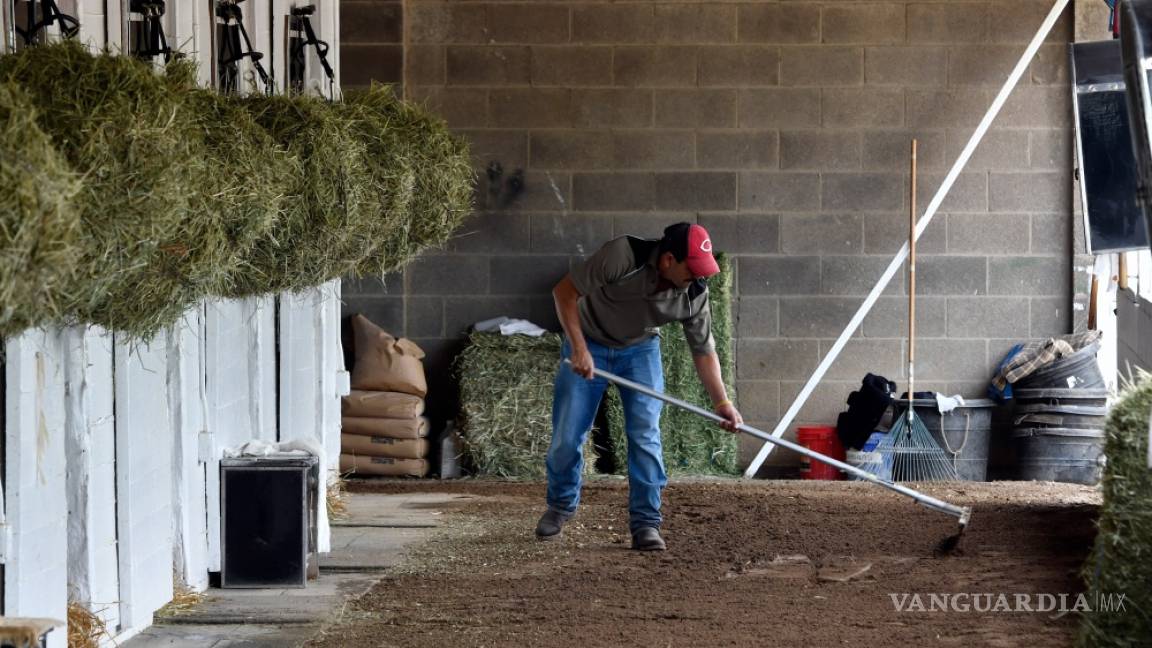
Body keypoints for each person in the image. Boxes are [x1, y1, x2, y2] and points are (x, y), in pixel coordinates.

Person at [535, 222, 743, 551]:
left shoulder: (694, 293)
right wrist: (578, 348)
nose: (699, 278)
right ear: (667, 260)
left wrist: (722, 404)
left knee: (645, 434)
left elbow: (704, 352)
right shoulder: (623, 255)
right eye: (692, 269)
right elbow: (564, 293)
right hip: (589, 341)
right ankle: (560, 506)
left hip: (640, 350)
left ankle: (646, 523)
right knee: (567, 434)